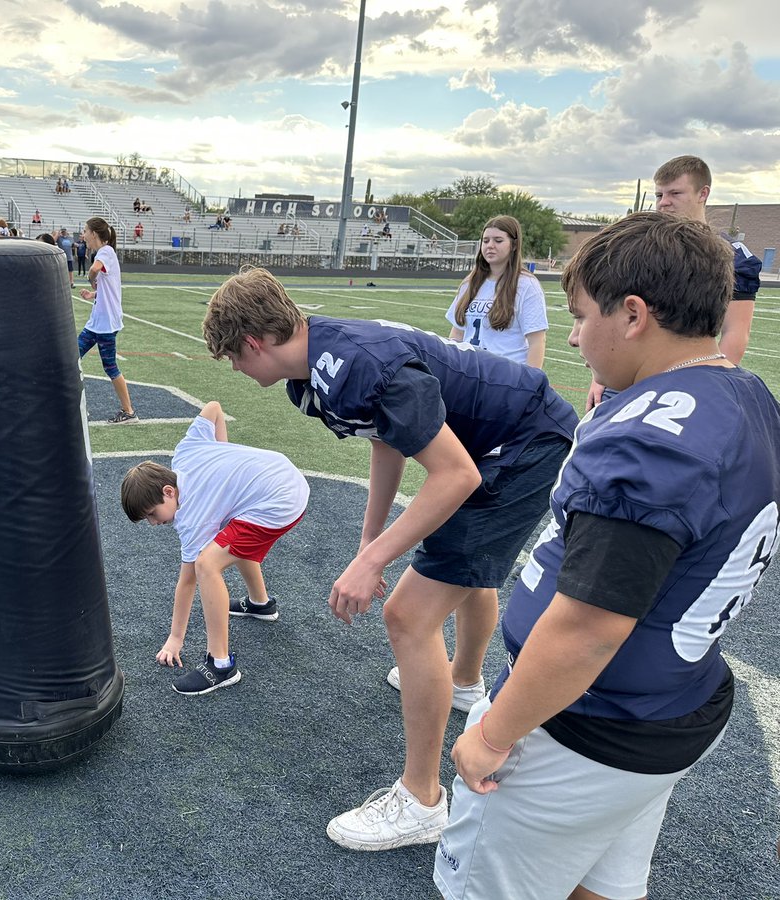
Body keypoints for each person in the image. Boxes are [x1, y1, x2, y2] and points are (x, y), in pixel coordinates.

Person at [435, 211, 780, 899]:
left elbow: (591, 626)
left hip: (591, 725)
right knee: (603, 886)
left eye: (581, 314)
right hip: (670, 702)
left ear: (633, 315)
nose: (571, 334)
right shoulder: (744, 393)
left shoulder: (651, 443)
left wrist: (494, 732)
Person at [202, 267, 578, 852]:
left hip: (521, 443)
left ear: (254, 343)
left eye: (234, 357)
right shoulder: (322, 357)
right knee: (462, 569)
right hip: (501, 437)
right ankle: (462, 682)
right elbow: (389, 434)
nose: (236, 370)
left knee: (409, 614)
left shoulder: (351, 362)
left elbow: (456, 474)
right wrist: (369, 539)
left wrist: (373, 561)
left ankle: (422, 799)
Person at [121, 401, 309, 695]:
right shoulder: (184, 452)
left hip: (281, 500)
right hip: (283, 473)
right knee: (229, 535)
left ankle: (220, 664)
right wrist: (223, 455)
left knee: (207, 564)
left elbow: (188, 581)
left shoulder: (194, 517)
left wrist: (175, 638)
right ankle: (261, 604)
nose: (153, 524)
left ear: (168, 492)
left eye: (152, 515)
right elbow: (213, 408)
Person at [587, 155, 763, 409]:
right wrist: (601, 374)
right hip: (627, 376)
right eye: (659, 195)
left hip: (684, 378)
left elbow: (736, 331)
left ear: (703, 194)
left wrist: (708, 389)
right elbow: (617, 313)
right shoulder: (641, 244)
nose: (664, 202)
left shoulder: (731, 254)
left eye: (675, 193)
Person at [446, 216, 549, 368]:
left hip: (506, 377)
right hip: (469, 374)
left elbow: (537, 341)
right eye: (486, 241)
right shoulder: (469, 283)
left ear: (514, 245)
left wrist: (531, 382)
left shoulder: (527, 285)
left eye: (498, 240)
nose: (490, 246)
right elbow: (457, 334)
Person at [78, 216, 137, 424]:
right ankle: (74, 405)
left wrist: (91, 280)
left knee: (110, 367)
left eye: (85, 231)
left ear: (94, 233)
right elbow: (109, 288)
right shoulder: (106, 253)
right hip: (98, 322)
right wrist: (93, 294)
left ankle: (129, 412)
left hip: (104, 325)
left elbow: (94, 271)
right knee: (72, 358)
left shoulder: (105, 251)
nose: (83, 235)